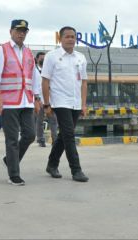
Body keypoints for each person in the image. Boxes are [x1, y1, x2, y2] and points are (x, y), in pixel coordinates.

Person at [0, 19, 41, 185]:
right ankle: (13, 174)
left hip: (26, 100)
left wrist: (38, 98)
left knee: (30, 134)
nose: (21, 33)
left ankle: (10, 159)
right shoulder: (2, 50)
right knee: (11, 139)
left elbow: (34, 76)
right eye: (18, 30)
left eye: (24, 31)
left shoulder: (28, 52)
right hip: (9, 102)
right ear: (11, 31)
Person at [41, 26, 89, 182]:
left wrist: (83, 104)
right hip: (60, 101)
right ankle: (76, 170)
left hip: (75, 103)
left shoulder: (81, 57)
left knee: (63, 136)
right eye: (67, 36)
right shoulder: (52, 56)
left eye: (73, 36)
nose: (70, 39)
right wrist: (46, 104)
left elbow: (84, 82)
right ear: (60, 39)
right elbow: (45, 80)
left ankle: (51, 164)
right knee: (69, 135)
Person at [34, 51, 58, 147]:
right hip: (39, 99)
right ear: (37, 59)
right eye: (41, 58)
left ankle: (55, 140)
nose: (43, 60)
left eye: (45, 59)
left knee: (53, 121)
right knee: (39, 121)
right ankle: (41, 140)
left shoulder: (50, 70)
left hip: (50, 100)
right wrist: (36, 99)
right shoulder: (34, 71)